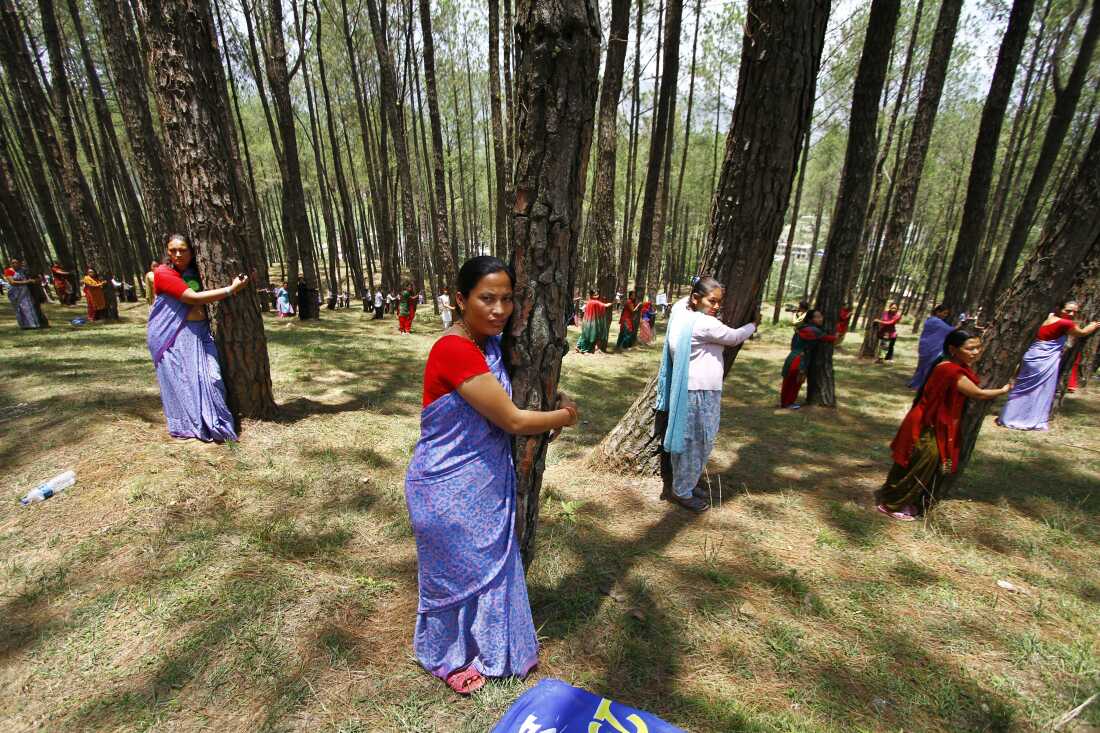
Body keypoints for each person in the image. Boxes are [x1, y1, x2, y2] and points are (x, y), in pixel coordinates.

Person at [405, 255, 578, 695]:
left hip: (481, 482)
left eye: (506, 299)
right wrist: (564, 415)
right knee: (455, 574)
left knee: (486, 566)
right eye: (487, 299)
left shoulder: (488, 345)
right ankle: (446, 655)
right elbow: (514, 421)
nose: (499, 310)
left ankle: (490, 648)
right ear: (461, 300)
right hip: (447, 485)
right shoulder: (454, 349)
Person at [876, 329, 1012, 520]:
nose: (975, 352)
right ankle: (891, 505)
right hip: (927, 423)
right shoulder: (950, 369)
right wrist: (1003, 390)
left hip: (931, 421)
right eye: (970, 348)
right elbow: (977, 394)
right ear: (953, 349)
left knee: (919, 462)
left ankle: (897, 499)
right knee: (921, 462)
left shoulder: (954, 366)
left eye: (978, 347)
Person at [656, 277, 756, 513]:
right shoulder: (704, 324)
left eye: (719, 301)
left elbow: (682, 302)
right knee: (697, 442)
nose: (717, 306)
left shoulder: (680, 314)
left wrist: (698, 286)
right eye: (713, 301)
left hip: (691, 390)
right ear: (696, 298)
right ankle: (682, 492)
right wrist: (753, 325)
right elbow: (733, 337)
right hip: (699, 392)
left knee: (692, 441)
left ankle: (686, 484)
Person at [147, 234, 246, 442]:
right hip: (175, 335)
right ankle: (190, 426)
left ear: (192, 251)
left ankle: (215, 422)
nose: (177, 254)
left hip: (200, 331)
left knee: (212, 376)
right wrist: (231, 289)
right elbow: (191, 298)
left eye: (182, 249)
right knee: (184, 381)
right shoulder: (163, 273)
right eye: (172, 250)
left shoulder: (196, 271)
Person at [997, 301, 1100, 431]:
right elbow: (1081, 333)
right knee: (1039, 390)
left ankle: (1009, 416)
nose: (1072, 314)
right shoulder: (1066, 323)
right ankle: (1025, 419)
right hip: (1044, 361)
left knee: (1022, 388)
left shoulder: (1048, 317)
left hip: (1031, 355)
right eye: (1068, 311)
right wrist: (1093, 326)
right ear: (1058, 308)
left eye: (1075, 312)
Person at [780, 309, 837, 409]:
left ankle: (785, 403)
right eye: (817, 317)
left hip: (792, 357)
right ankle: (788, 403)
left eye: (821, 316)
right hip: (799, 360)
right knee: (794, 383)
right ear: (811, 319)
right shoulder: (812, 330)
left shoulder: (802, 328)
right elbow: (828, 338)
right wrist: (837, 335)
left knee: (789, 382)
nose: (821, 319)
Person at [908, 304, 955, 390]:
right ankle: (921, 385)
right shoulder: (936, 321)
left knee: (922, 366)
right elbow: (949, 330)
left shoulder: (930, 320)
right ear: (938, 312)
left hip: (925, 345)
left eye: (946, 314)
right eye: (944, 313)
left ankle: (915, 383)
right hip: (932, 347)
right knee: (928, 366)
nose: (945, 316)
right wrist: (961, 324)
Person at [5, 260, 49, 329]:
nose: (14, 264)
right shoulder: (8, 271)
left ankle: (33, 324)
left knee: (28, 308)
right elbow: (12, 282)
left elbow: (37, 277)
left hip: (26, 292)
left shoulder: (23, 270)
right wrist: (28, 281)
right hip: (15, 293)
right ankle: (24, 325)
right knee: (20, 308)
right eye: (12, 263)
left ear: (19, 263)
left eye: (16, 262)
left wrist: (37, 279)